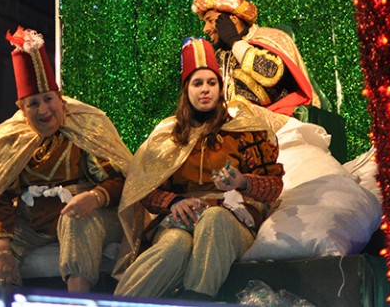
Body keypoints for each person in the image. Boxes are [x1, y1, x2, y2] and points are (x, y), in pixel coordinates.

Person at [0, 26, 132, 292]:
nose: (43, 110)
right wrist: (3, 250)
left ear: (61, 100)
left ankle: (78, 300)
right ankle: (3, 297)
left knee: (74, 218)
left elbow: (123, 177)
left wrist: (95, 196)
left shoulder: (86, 125)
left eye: (48, 99)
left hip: (93, 212)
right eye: (33, 103)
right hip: (33, 222)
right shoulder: (9, 138)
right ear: (23, 109)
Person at [114, 37, 283, 300]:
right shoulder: (169, 136)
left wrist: (242, 181)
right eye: (197, 83)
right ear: (186, 90)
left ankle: (197, 301)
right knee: (174, 246)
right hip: (180, 221)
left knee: (213, 220)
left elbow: (274, 187)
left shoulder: (244, 131)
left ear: (220, 87)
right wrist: (173, 202)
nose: (205, 90)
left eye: (211, 83)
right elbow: (144, 189)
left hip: (230, 222)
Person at [191, 0, 322, 117]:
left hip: (279, 126)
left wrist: (235, 42)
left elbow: (270, 73)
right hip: (230, 129)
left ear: (232, 20)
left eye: (211, 20)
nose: (205, 29)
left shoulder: (271, 38)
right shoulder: (219, 56)